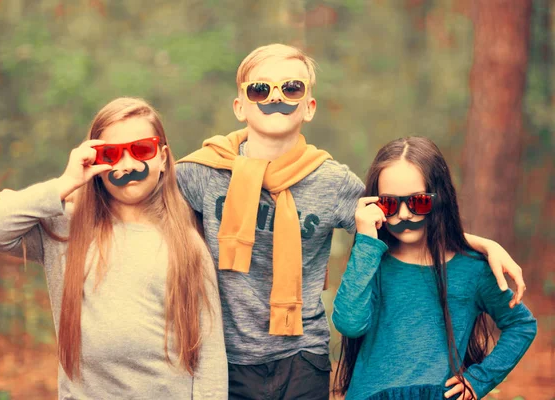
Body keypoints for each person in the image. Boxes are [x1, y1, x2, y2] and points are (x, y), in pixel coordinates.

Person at [175, 44, 526, 399]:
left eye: (291, 87)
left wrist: (479, 243)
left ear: (309, 107)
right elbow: (144, 209)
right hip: (225, 355)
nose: (275, 97)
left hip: (302, 356)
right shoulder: (202, 173)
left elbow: (397, 220)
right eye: (260, 89)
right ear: (239, 106)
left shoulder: (334, 182)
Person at [0, 97, 228, 399]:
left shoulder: (187, 244)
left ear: (162, 158)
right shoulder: (65, 229)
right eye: (111, 155)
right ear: (93, 162)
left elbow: (210, 356)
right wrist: (65, 183)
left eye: (141, 149)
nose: (127, 164)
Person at [332, 136, 537, 400]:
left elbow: (521, 325)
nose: (404, 215)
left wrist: (478, 380)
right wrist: (365, 241)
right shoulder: (371, 261)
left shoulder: (471, 269)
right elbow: (349, 323)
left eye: (418, 202)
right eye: (389, 204)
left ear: (439, 199)